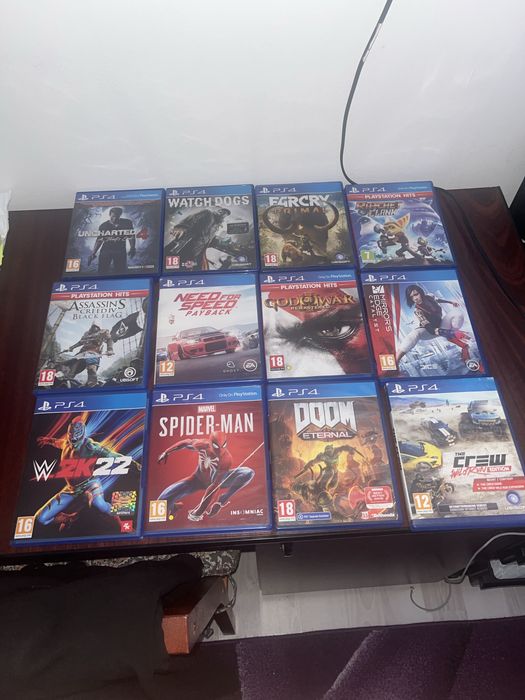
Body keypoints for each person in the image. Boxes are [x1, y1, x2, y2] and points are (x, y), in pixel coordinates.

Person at [36, 416, 138, 530]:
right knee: (42, 518)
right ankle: (69, 518)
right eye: (72, 440)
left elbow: (114, 456)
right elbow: (55, 442)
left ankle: (123, 525)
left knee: (100, 505)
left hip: (90, 485)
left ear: (82, 435)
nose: (74, 444)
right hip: (71, 490)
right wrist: (47, 440)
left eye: (76, 441)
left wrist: (134, 464)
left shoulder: (91, 447)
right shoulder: (65, 444)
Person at [157, 431, 255, 521]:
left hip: (219, 480)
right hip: (197, 480)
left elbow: (215, 486)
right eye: (216, 446)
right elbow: (186, 443)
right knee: (161, 501)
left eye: (223, 446)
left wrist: (200, 511)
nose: (220, 451)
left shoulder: (226, 459)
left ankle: (223, 499)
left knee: (248, 473)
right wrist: (167, 452)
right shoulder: (202, 444)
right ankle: (175, 507)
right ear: (210, 443)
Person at [396, 285, 470, 365]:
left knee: (457, 313)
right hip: (428, 331)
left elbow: (438, 300)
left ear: (420, 292)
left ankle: (462, 345)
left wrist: (451, 302)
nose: (415, 298)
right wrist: (449, 332)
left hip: (441, 325)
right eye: (411, 297)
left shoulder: (429, 297)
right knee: (414, 334)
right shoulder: (417, 310)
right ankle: (396, 360)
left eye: (416, 294)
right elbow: (428, 327)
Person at [88, 207, 136, 274]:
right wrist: (93, 253)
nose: (114, 219)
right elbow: (99, 240)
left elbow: (131, 236)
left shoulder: (127, 223)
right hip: (106, 251)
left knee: (120, 272)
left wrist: (132, 247)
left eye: (117, 216)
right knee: (102, 271)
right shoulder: (103, 226)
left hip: (120, 251)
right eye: (113, 216)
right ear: (109, 215)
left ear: (120, 215)